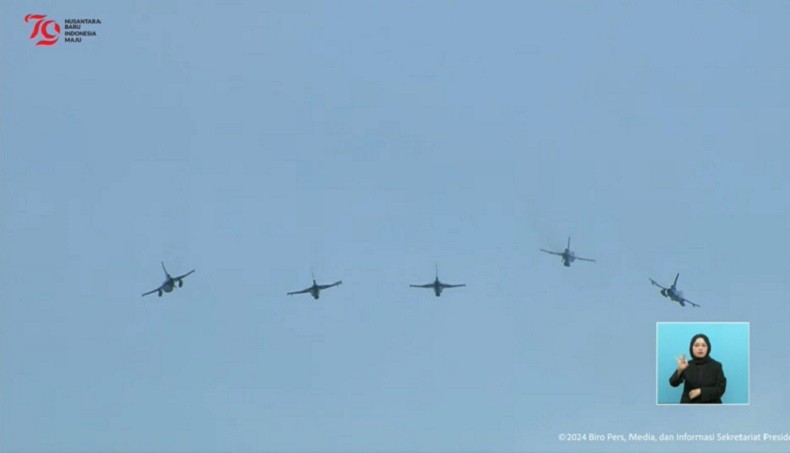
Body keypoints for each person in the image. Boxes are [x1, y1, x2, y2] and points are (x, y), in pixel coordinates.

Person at [669, 333, 727, 403]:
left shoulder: (716, 366)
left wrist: (701, 391)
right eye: (696, 345)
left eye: (703, 345)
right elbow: (673, 383)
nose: (700, 348)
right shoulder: (686, 365)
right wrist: (680, 370)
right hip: (689, 406)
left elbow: (721, 389)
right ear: (691, 348)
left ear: (708, 347)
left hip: (711, 406)